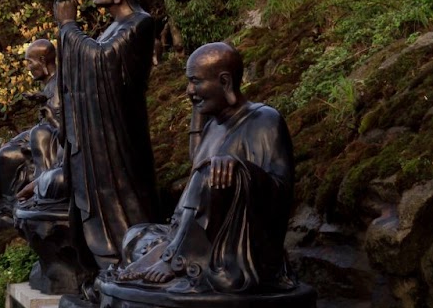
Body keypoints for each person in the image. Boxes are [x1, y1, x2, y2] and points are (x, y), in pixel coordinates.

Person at [112, 42, 295, 294]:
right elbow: (195, 175)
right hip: (189, 231)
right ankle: (172, 249)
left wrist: (239, 170)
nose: (189, 90)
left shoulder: (265, 121)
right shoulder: (213, 123)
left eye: (195, 82)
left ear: (225, 82)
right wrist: (198, 113)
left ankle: (177, 258)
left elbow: (281, 192)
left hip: (230, 241)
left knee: (216, 173)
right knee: (135, 235)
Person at [52, 0, 160, 271]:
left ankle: (127, 263)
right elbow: (86, 66)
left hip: (119, 138)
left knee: (125, 204)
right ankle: (98, 270)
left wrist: (69, 26)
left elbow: (101, 64)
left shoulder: (140, 23)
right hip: (95, 137)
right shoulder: (111, 27)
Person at [0, 39, 60, 213]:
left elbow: (59, 119)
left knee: (8, 153)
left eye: (30, 62)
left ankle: (12, 200)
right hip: (42, 129)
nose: (27, 67)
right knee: (6, 148)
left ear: (42, 61)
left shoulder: (60, 83)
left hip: (52, 134)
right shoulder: (49, 84)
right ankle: (5, 200)